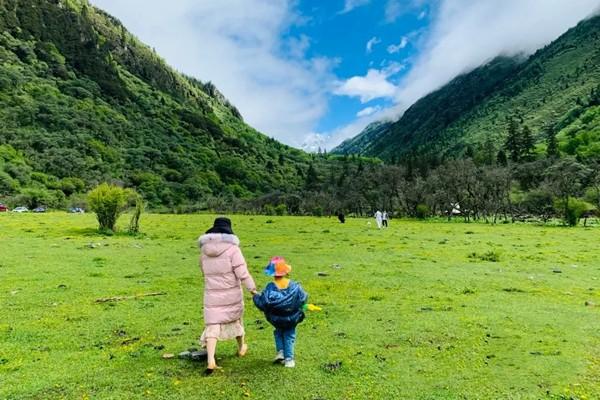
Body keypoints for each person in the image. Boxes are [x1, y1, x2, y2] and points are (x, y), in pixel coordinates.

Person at [198, 217, 257, 375]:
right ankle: (241, 348)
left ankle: (211, 359)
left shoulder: (204, 251)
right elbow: (242, 272)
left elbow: (203, 271)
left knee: (212, 325)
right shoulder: (233, 249)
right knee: (236, 319)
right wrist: (252, 288)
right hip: (231, 292)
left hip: (212, 293)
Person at [253, 257, 308, 368]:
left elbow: (263, 303)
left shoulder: (270, 288)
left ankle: (281, 352)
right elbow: (302, 298)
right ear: (286, 272)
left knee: (278, 332)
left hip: (276, 319)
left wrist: (255, 296)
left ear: (272, 274)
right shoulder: (295, 286)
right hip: (292, 318)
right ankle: (289, 359)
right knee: (289, 335)